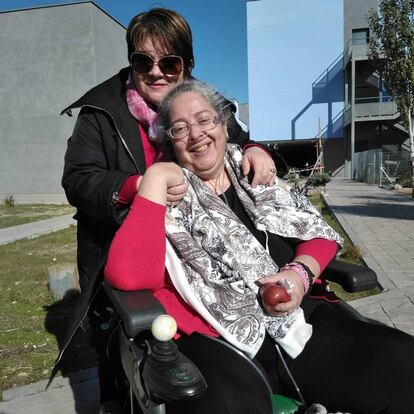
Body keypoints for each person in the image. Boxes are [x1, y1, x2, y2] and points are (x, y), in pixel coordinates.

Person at [105, 80, 414, 414]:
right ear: (169, 141)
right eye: (180, 128)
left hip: (298, 318)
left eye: (205, 120)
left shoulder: (254, 172)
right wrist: (151, 182)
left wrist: (298, 275)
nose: (196, 134)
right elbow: (128, 276)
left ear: (224, 125)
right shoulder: (166, 192)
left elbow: (316, 231)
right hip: (216, 338)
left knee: (401, 361)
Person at [57, 8, 276, 405]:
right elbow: (77, 179)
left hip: (199, 254)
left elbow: (237, 138)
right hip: (124, 248)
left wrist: (256, 149)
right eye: (143, 61)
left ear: (187, 66)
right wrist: (136, 186)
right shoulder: (100, 112)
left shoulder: (206, 101)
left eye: (169, 62)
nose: (156, 72)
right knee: (122, 358)